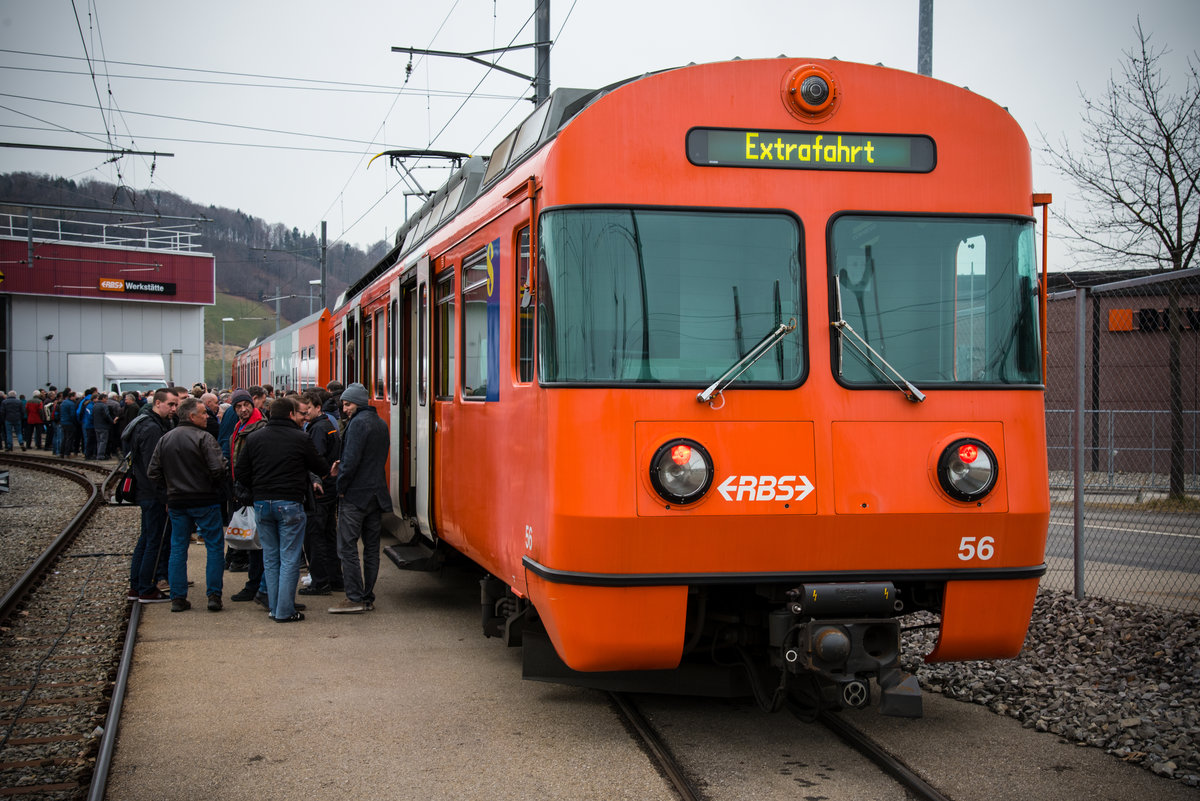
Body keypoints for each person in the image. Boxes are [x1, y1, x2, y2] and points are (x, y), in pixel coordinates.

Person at [235, 396, 330, 622]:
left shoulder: (255, 438)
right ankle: (285, 611)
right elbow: (320, 467)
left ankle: (274, 607)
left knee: (271, 558)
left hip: (261, 504)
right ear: (290, 414)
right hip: (289, 503)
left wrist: (257, 487)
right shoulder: (301, 438)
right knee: (289, 558)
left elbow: (240, 472)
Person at [147, 397, 228, 612]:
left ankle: (178, 597)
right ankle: (213, 595)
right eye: (203, 413)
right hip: (205, 499)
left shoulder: (166, 439)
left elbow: (153, 472)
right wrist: (215, 487)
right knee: (214, 547)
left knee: (178, 548)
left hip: (176, 501)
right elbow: (219, 469)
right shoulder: (205, 438)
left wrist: (167, 494)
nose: (206, 417)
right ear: (192, 416)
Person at [329, 382, 391, 614]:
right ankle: (367, 597)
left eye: (347, 404)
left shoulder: (357, 424)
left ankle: (354, 597)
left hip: (355, 495)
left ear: (359, 403)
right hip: (376, 495)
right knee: (371, 549)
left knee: (347, 547)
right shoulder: (380, 424)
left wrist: (341, 484)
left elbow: (352, 460)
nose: (344, 409)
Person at [126, 389, 177, 603]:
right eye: (171, 405)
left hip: (146, 492)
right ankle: (146, 587)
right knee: (153, 541)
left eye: (176, 405)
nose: (174, 409)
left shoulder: (144, 423)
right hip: (152, 494)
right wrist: (164, 497)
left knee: (146, 538)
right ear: (158, 403)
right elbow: (152, 468)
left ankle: (137, 586)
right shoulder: (152, 428)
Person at [297, 389, 342, 596]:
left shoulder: (316, 430)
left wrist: (315, 481)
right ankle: (334, 578)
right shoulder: (328, 426)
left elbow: (315, 460)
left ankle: (320, 581)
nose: (304, 417)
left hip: (320, 490)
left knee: (315, 536)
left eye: (307, 412)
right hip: (331, 487)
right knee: (329, 534)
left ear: (317, 408)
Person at [227, 389, 267, 598]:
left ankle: (255, 586)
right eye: (238, 407)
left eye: (246, 405)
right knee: (253, 541)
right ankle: (256, 584)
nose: (243, 409)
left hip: (252, 490)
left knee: (256, 543)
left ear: (252, 405)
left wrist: (245, 487)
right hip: (243, 488)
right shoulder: (240, 425)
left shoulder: (258, 426)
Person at [92, 392, 116, 459]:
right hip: (104, 426)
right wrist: (112, 421)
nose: (107, 400)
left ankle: (98, 454)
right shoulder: (104, 406)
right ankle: (100, 455)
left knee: (99, 441)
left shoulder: (95, 405)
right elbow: (107, 415)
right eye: (106, 399)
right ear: (103, 399)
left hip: (96, 425)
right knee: (103, 441)